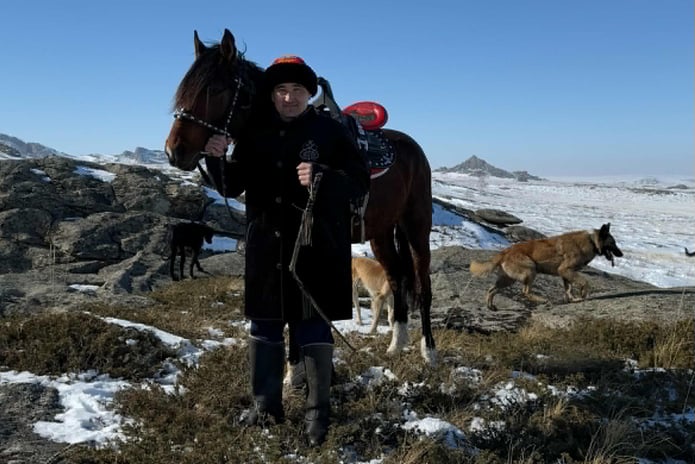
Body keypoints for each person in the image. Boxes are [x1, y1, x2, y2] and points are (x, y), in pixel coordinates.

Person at [203, 55, 370, 447]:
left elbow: (360, 182)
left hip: (315, 247)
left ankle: (317, 417)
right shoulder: (254, 133)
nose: (289, 97)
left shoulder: (329, 131)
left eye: (297, 90)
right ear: (272, 96)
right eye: (281, 90)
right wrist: (215, 159)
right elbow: (232, 186)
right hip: (266, 246)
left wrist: (323, 177)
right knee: (264, 324)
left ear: (309, 94)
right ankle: (265, 407)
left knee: (311, 326)